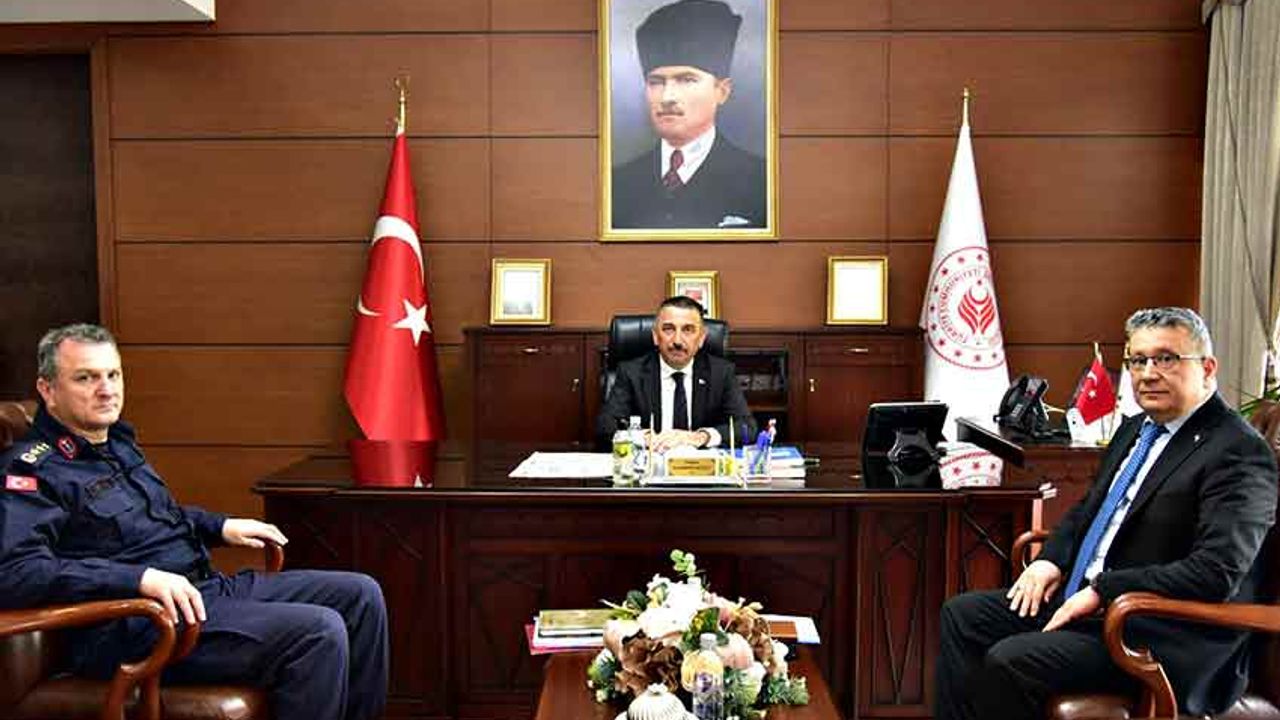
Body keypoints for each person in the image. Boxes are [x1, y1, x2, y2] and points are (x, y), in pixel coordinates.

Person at [0, 324, 388, 720]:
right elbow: (15, 571)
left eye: (113, 374)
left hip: (198, 591)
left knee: (361, 596)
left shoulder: (115, 444)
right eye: (86, 378)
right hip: (133, 623)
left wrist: (218, 526)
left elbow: (143, 521)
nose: (107, 389)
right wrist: (137, 579)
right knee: (318, 630)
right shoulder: (31, 470)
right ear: (48, 390)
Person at [936, 307, 1278, 720]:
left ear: (1207, 368)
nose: (1147, 374)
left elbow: (1216, 573)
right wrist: (1049, 561)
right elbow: (1090, 509)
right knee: (963, 616)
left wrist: (1105, 588)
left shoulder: (1237, 452)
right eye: (1137, 360)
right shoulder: (1135, 428)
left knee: (1013, 660)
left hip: (1161, 630)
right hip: (1095, 605)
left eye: (1166, 358)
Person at [611, 0, 767, 230]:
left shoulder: (761, 180)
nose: (667, 97)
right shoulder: (617, 183)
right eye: (656, 82)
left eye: (686, 80)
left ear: (722, 91)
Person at [597, 296, 754, 452]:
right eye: (668, 329)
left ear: (701, 338)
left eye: (688, 330)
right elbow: (605, 426)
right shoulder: (632, 372)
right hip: (651, 460)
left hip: (700, 464)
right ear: (655, 336)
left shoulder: (721, 372)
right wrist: (644, 438)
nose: (677, 341)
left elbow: (747, 427)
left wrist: (701, 437)